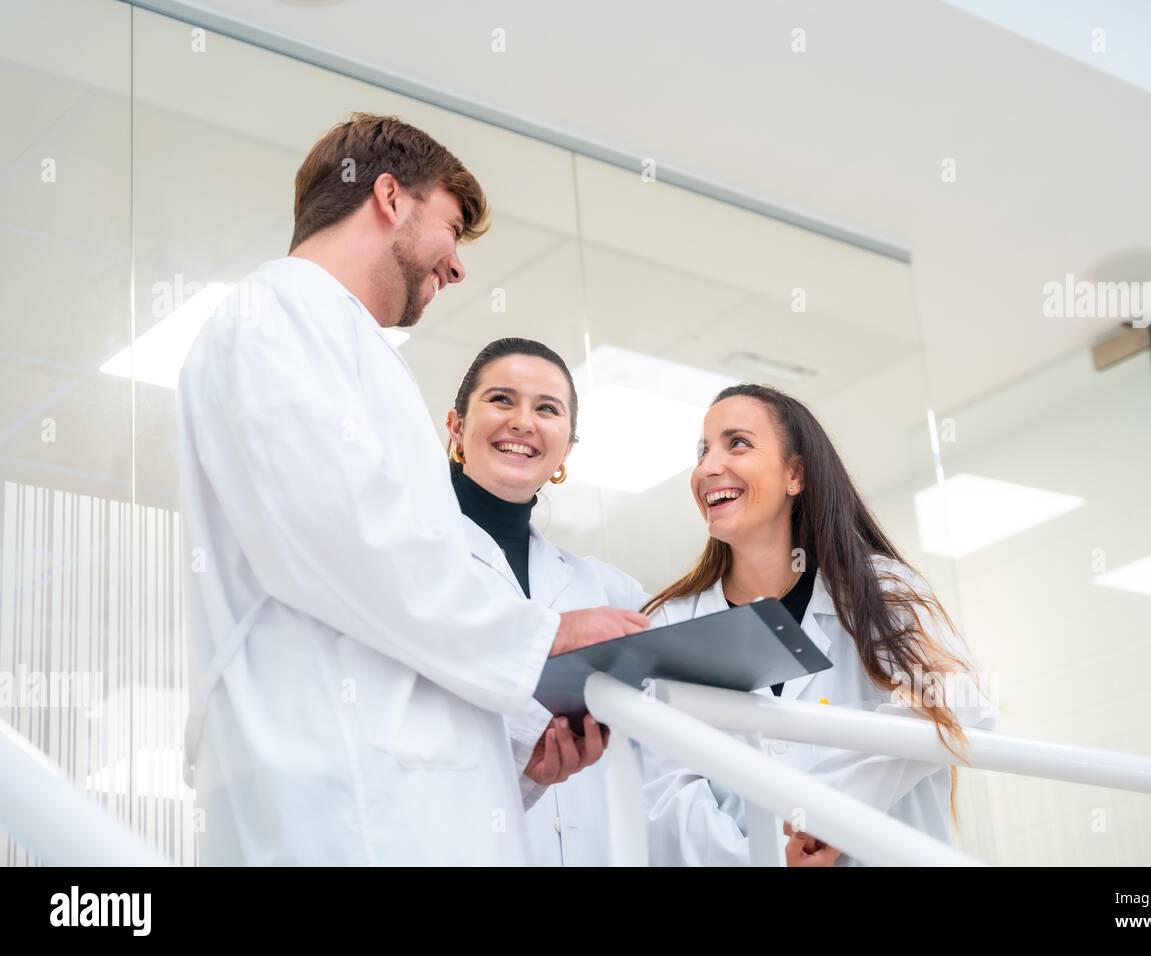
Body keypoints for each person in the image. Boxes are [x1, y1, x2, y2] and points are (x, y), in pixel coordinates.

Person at [176, 113, 644, 865]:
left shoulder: (350, 347)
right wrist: (543, 636)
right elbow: (338, 539)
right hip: (333, 799)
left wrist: (516, 763)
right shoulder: (276, 315)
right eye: (452, 228)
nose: (457, 267)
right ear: (388, 197)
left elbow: (391, 622)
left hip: (384, 799)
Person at [639, 384, 996, 866]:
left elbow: (958, 702)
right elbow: (666, 793)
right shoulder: (673, 622)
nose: (707, 467)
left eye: (737, 443)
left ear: (795, 474)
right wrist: (766, 860)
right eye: (703, 451)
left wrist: (831, 813)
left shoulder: (880, 591)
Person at [444, 337, 649, 866]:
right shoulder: (413, 564)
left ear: (567, 450)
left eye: (547, 409)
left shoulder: (608, 590)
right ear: (456, 428)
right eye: (501, 400)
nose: (523, 422)